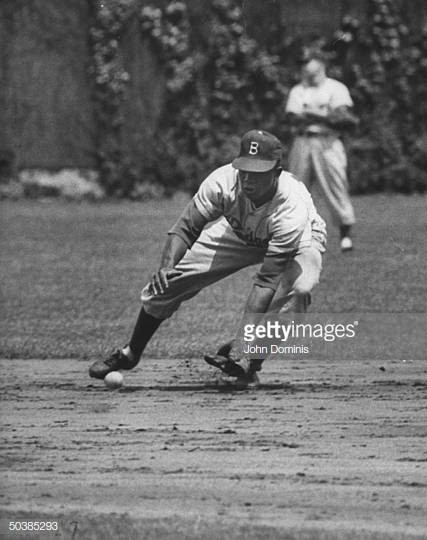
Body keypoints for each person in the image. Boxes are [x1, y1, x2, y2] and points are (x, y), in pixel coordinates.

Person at [89, 129, 327, 385]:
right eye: (244, 169)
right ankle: (131, 353)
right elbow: (186, 227)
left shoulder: (291, 207)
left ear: (276, 172)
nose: (247, 179)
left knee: (300, 292)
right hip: (239, 231)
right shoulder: (222, 182)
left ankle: (249, 360)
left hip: (298, 239)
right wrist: (167, 266)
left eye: (257, 173)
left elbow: (266, 282)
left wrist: (243, 344)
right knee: (168, 280)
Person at [285, 54, 359, 252]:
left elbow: (343, 118)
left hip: (328, 142)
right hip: (303, 140)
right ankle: (297, 237)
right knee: (296, 189)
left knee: (336, 185)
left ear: (322, 69)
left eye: (313, 73)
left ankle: (346, 235)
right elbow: (294, 117)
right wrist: (326, 114)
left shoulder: (336, 88)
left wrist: (313, 114)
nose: (309, 77)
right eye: (306, 73)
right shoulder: (299, 90)